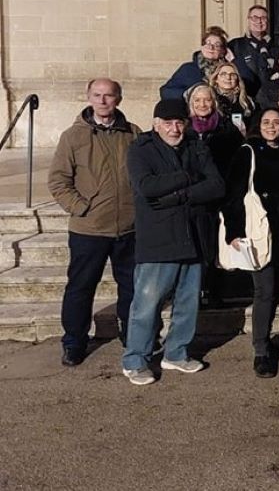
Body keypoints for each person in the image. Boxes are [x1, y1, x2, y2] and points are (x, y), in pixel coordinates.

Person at [122, 98, 224, 386]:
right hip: (159, 239)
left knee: (188, 302)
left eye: (179, 122)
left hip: (192, 236)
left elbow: (216, 185)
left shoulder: (196, 146)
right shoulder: (140, 150)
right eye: (168, 123)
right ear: (156, 124)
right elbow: (147, 187)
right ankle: (135, 359)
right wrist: (187, 177)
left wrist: (179, 194)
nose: (175, 129)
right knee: (147, 304)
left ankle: (176, 353)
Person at [48, 78, 142, 367]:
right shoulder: (73, 137)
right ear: (88, 97)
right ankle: (75, 340)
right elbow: (58, 180)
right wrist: (81, 208)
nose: (103, 101)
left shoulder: (133, 133)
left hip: (128, 227)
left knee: (131, 286)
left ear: (119, 99)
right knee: (80, 287)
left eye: (109, 95)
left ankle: (132, 335)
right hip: (89, 229)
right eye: (97, 95)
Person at [221, 109, 279, 377]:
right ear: (258, 125)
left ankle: (267, 340)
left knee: (276, 288)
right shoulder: (248, 151)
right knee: (265, 291)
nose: (272, 127)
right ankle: (260, 350)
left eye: (277, 122)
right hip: (259, 229)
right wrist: (234, 231)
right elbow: (234, 193)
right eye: (266, 122)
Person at [186, 83, 243, 307]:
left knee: (215, 246)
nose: (202, 104)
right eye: (197, 100)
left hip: (223, 195)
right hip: (194, 197)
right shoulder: (184, 130)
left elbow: (238, 162)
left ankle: (215, 291)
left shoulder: (227, 130)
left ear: (214, 102)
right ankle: (194, 292)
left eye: (207, 100)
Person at [160, 27, 229, 100]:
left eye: (217, 45)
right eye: (207, 43)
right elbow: (165, 92)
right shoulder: (188, 69)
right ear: (202, 47)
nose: (211, 47)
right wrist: (187, 93)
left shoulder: (228, 70)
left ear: (223, 50)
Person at [228, 5, 278, 96]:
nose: (259, 21)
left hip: (269, 98)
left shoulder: (277, 48)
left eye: (263, 18)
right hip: (244, 97)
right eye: (255, 18)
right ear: (248, 20)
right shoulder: (234, 45)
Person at [209, 61, 255, 133]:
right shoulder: (209, 98)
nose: (228, 77)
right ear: (216, 79)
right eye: (223, 74)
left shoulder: (247, 101)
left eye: (233, 74)